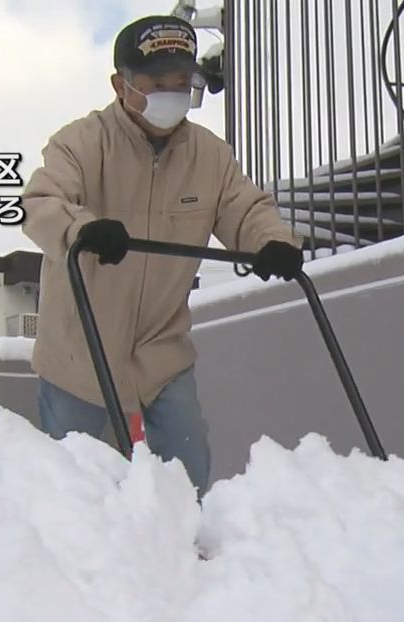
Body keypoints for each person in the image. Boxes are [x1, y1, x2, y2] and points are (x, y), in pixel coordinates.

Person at [20, 15, 304, 496]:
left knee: (188, 470)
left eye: (180, 82)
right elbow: (42, 203)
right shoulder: (82, 144)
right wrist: (83, 229)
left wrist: (271, 241)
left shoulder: (209, 157)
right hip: (80, 351)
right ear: (121, 83)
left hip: (161, 351)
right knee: (74, 487)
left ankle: (186, 558)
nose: (170, 94)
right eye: (155, 82)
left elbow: (244, 207)